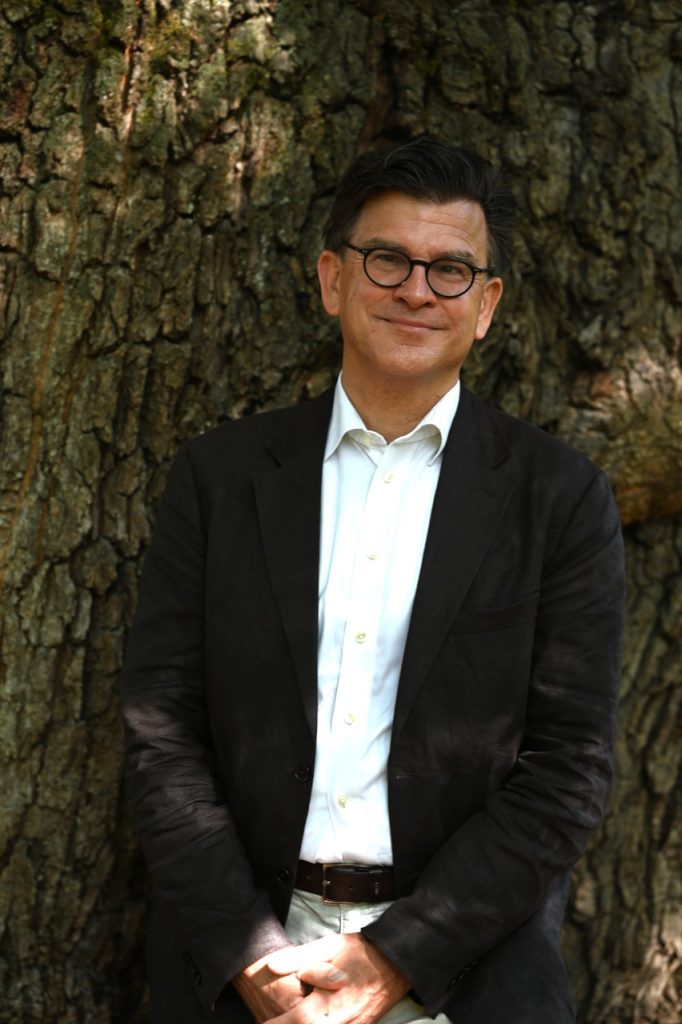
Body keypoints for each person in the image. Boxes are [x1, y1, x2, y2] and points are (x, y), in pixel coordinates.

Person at [121, 136, 625, 1024]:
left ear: (488, 305)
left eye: (452, 270)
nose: (417, 288)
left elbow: (568, 770)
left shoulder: (559, 497)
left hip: (463, 970)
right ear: (331, 280)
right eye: (387, 258)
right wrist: (253, 958)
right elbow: (163, 733)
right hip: (241, 968)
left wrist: (393, 961)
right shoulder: (220, 480)